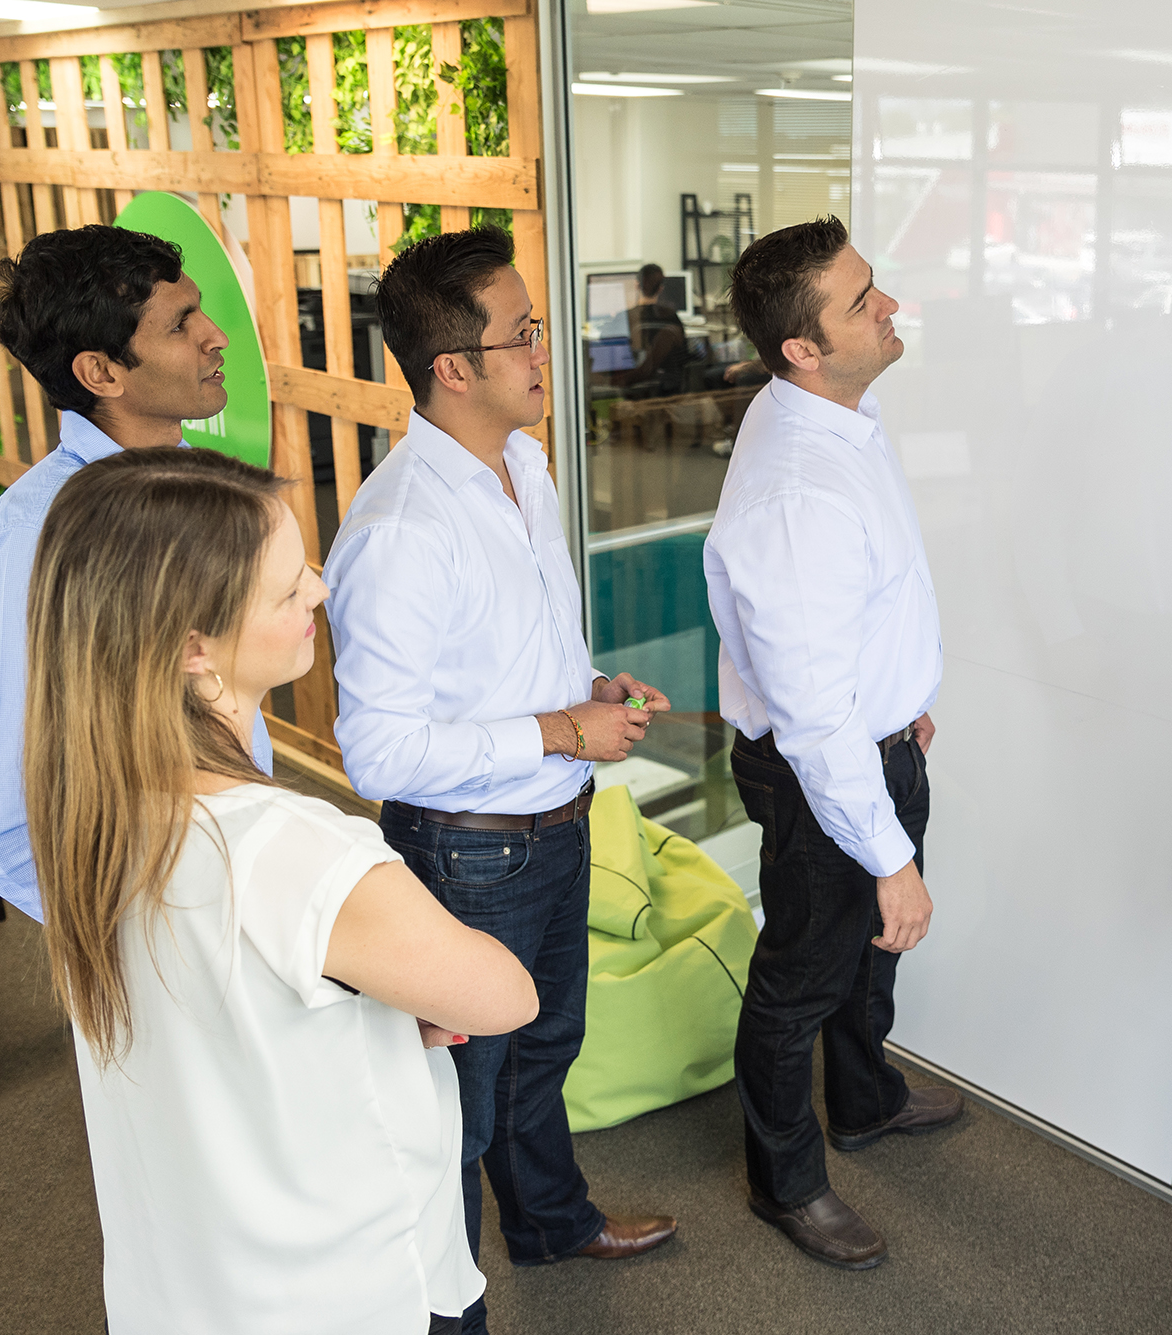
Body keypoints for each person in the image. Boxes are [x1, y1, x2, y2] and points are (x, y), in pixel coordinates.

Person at [26, 445, 538, 1334]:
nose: (320, 590)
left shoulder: (92, 817)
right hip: (354, 1291)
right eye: (286, 586)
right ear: (193, 648)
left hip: (183, 1290)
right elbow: (504, 995)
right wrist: (400, 996)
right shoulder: (297, 848)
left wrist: (376, 1006)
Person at [323, 226, 675, 1335]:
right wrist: (562, 729)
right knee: (456, 1106)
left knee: (543, 1047)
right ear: (453, 368)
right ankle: (446, 1314)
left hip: (554, 823)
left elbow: (513, 649)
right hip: (470, 851)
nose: (543, 350)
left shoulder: (524, 465)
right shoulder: (399, 529)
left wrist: (587, 688)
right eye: (522, 334)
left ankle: (551, 1223)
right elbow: (378, 752)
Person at [704, 215, 962, 1270]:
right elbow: (812, 716)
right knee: (801, 978)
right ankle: (787, 1182)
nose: (889, 305)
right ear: (801, 348)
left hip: (874, 741)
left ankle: (863, 1098)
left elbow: (849, 612)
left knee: (864, 953)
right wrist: (890, 859)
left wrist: (903, 696)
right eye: (862, 302)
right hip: (827, 769)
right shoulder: (795, 493)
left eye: (873, 284)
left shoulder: (830, 412)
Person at [0, 224, 274, 922]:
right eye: (180, 325)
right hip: (157, 928)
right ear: (101, 373)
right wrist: (147, 938)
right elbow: (4, 825)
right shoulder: (37, 534)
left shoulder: (206, 482)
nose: (217, 337)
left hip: (244, 886)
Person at [624, 262, 690, 395]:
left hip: (636, 383)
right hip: (669, 386)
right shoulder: (671, 317)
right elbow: (684, 353)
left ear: (637, 285)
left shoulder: (627, 317)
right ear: (661, 288)